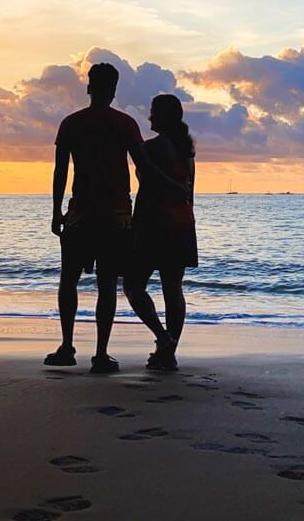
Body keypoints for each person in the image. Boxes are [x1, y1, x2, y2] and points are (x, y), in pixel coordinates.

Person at [46, 63, 185, 374]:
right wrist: (175, 185)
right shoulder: (124, 123)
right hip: (116, 216)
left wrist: (56, 210)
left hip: (80, 214)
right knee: (107, 284)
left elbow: (60, 171)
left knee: (68, 280)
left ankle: (67, 346)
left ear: (89, 87)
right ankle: (100, 353)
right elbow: (144, 167)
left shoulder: (71, 123)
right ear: (113, 90)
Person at [124, 94, 197, 372]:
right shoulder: (187, 150)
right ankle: (169, 351)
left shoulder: (152, 148)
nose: (149, 116)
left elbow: (148, 180)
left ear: (164, 117)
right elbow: (190, 193)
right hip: (182, 223)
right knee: (173, 287)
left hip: (152, 223)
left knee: (132, 286)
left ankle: (163, 338)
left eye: (153, 112)